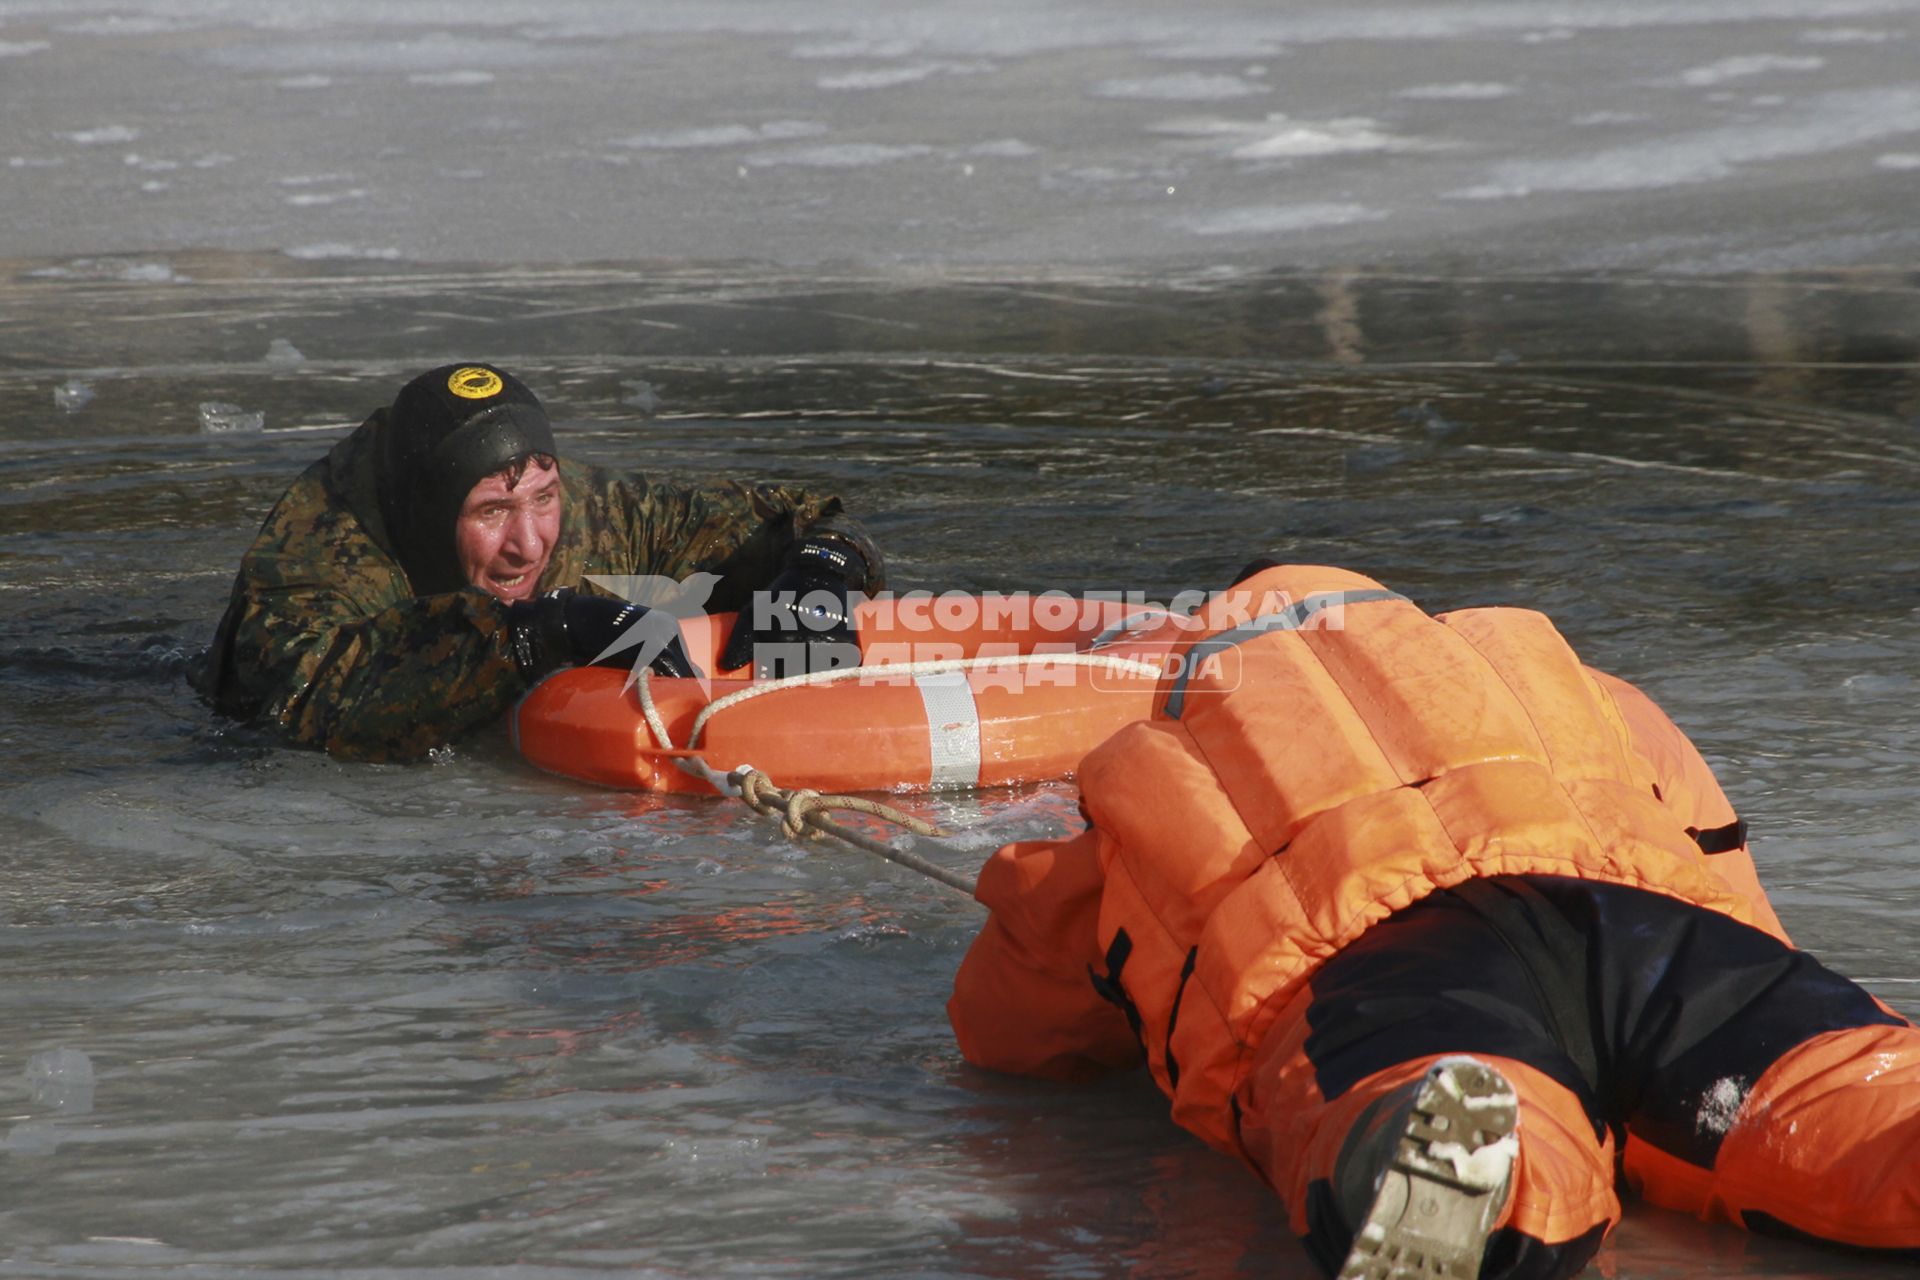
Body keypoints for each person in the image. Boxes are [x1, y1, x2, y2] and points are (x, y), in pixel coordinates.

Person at [948, 562, 1920, 1279]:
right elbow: (1721, 859)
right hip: (1653, 932)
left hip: (1394, 963)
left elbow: (1016, 1017)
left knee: (1453, 1096)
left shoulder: (1176, 747)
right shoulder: (1577, 690)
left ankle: (1449, 1151)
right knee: (1825, 1084)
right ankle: (1886, 1116)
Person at [200, 362, 883, 761]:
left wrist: (821, 570)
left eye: (543, 498)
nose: (531, 543)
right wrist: (533, 635)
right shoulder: (320, 550)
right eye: (492, 512)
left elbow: (803, 517)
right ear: (430, 522)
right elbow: (300, 695)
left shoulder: (581, 508)